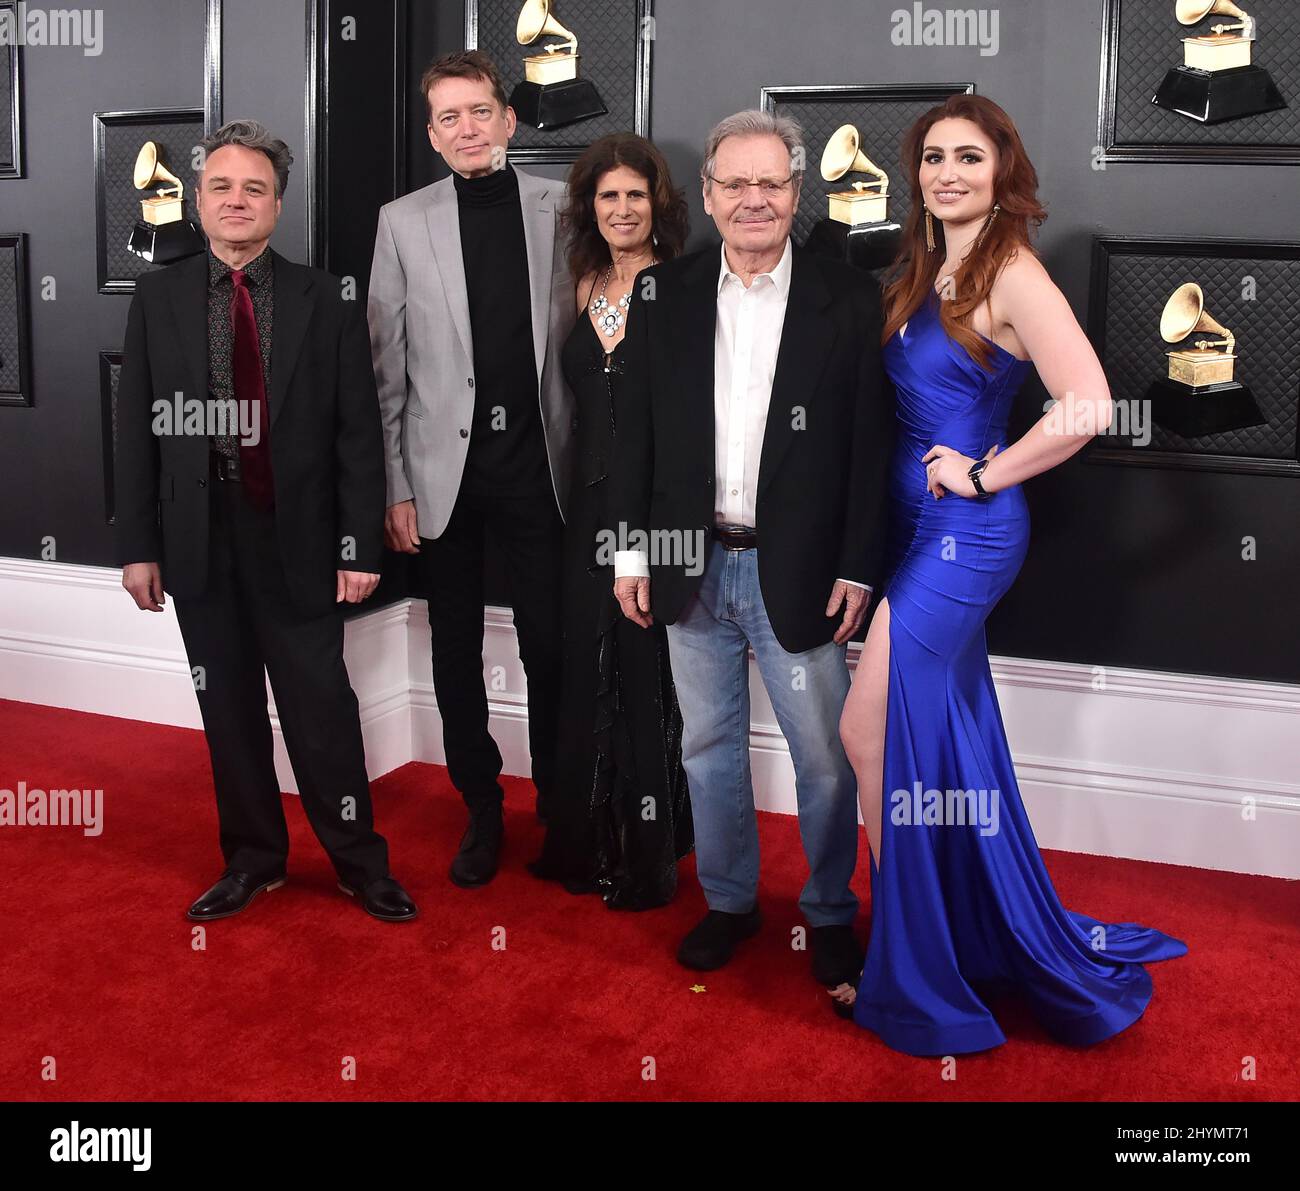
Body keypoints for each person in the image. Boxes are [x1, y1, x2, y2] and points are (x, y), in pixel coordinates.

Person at [835, 94, 1187, 1054]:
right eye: (934, 158)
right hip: (915, 525)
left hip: (970, 533)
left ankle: (911, 960)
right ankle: (951, 936)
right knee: (935, 739)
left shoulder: (1013, 269)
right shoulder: (929, 263)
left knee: (866, 728)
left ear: (1003, 171)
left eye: (970, 158)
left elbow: (1088, 405)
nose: (949, 173)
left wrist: (985, 469)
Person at [610, 112, 895, 992]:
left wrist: (857, 562)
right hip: (689, 565)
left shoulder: (849, 298)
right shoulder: (666, 293)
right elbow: (636, 438)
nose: (754, 200)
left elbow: (870, 444)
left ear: (797, 192)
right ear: (707, 195)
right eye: (735, 184)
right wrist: (631, 555)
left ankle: (829, 912)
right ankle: (730, 902)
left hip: (803, 569)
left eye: (771, 183)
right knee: (708, 744)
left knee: (822, 755)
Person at [116, 119, 416, 923]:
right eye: (221, 187)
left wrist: (358, 546)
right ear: (200, 201)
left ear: (278, 207)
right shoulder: (157, 298)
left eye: (255, 188)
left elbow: (359, 433)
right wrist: (138, 546)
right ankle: (254, 858)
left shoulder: (328, 299)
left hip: (301, 541)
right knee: (230, 710)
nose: (237, 201)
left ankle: (359, 863)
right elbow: (135, 429)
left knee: (323, 710)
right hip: (196, 539)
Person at [368, 51, 575, 888]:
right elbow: (386, 367)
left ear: (509, 119)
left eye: (479, 111)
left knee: (550, 649)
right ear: (431, 132)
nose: (466, 128)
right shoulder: (400, 220)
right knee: (454, 651)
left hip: (542, 471)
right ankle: (481, 808)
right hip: (440, 477)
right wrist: (396, 486)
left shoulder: (564, 206)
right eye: (448, 116)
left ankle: (558, 808)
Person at [528, 133, 694, 910]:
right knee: (580, 665)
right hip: (583, 506)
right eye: (607, 196)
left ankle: (643, 854)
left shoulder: (686, 284)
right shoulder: (583, 278)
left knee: (640, 672)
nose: (622, 208)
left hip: (655, 510)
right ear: (589, 207)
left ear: (657, 202)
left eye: (635, 194)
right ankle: (581, 838)